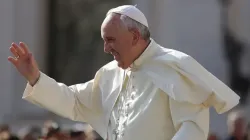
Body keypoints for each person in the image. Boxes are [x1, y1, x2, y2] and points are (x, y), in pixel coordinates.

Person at [8, 5, 240, 140]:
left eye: (110, 40)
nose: (106, 48)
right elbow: (75, 102)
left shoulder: (174, 67)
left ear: (135, 37)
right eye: (103, 40)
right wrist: (35, 78)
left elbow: (192, 129)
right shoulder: (109, 74)